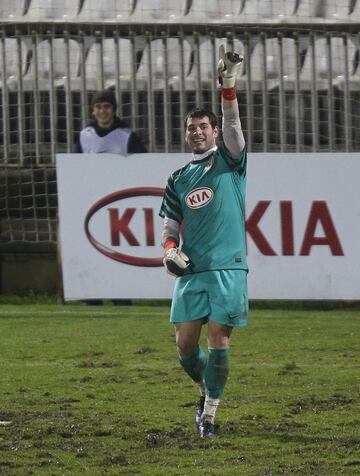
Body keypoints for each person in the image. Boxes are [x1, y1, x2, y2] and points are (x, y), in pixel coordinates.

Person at [159, 44, 248, 438]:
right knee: (184, 345)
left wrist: (227, 86)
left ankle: (210, 415)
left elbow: (232, 122)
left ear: (214, 132)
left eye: (203, 127)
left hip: (227, 266)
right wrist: (168, 251)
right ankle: (204, 391)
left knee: (219, 338)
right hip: (192, 269)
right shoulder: (177, 178)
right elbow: (170, 226)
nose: (196, 132)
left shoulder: (230, 158)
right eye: (191, 128)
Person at [74, 88, 147, 154]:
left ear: (114, 110)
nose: (102, 111)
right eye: (98, 107)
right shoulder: (84, 136)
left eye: (107, 106)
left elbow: (141, 164)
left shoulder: (128, 137)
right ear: (93, 111)